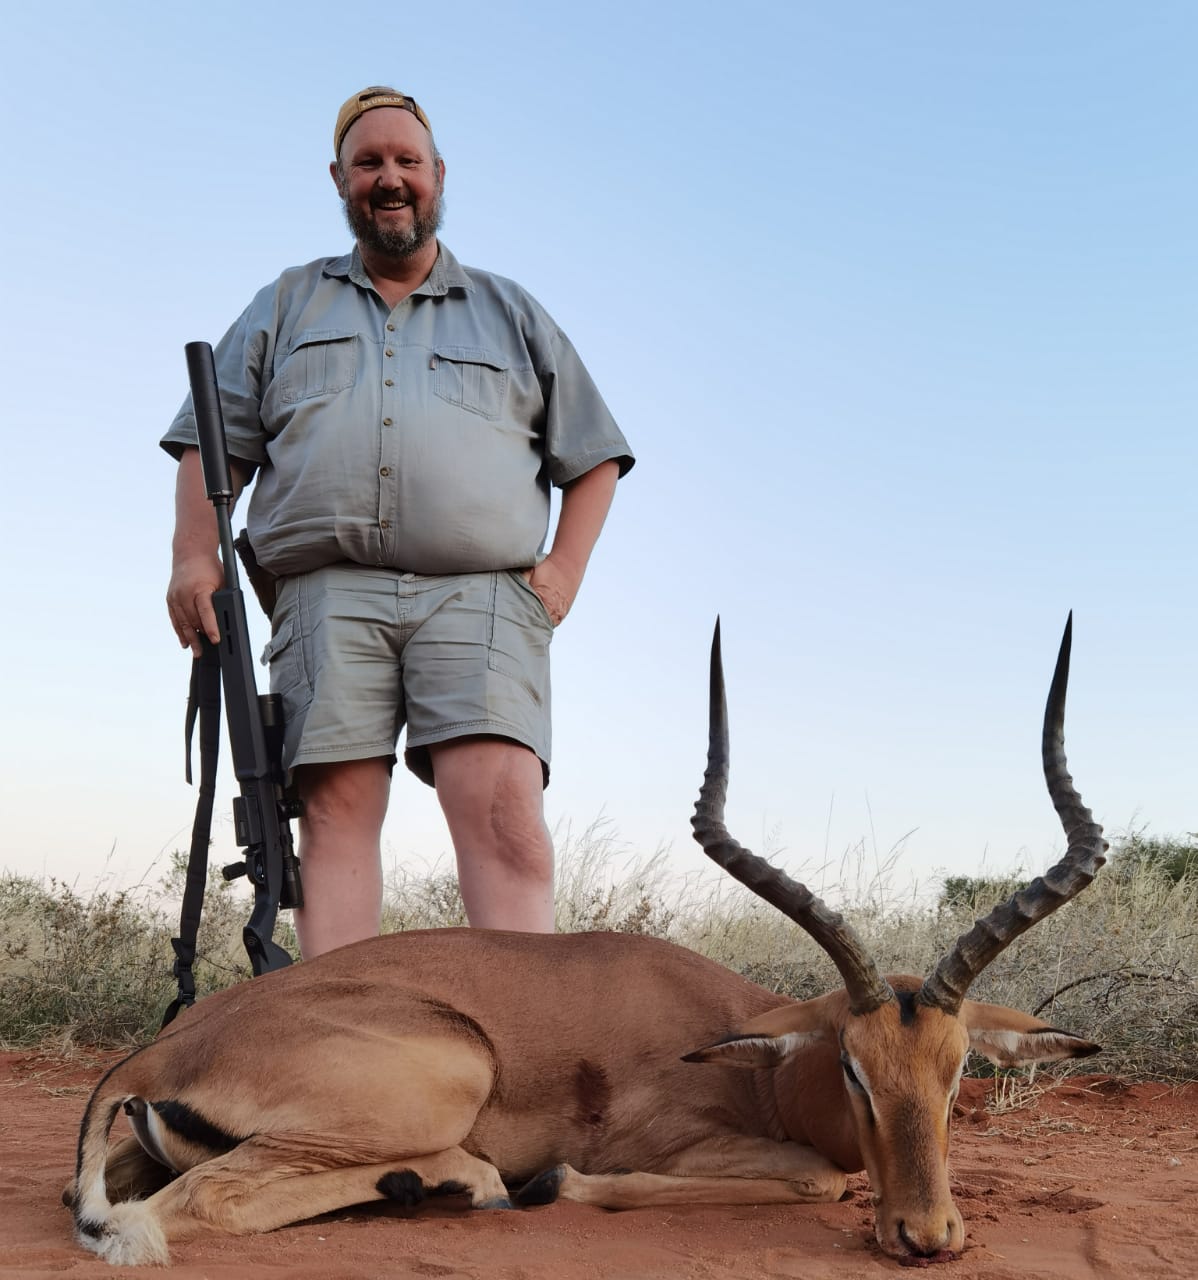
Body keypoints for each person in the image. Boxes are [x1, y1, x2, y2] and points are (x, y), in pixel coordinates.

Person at [162, 86, 633, 959]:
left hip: (483, 593)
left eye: (406, 161)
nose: (389, 178)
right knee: (334, 810)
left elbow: (595, 455)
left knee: (504, 812)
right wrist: (195, 557)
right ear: (338, 179)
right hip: (325, 592)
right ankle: (345, 1031)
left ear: (438, 175)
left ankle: (521, 1032)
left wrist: (563, 571)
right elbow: (210, 442)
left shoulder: (510, 310)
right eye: (368, 162)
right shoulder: (284, 303)